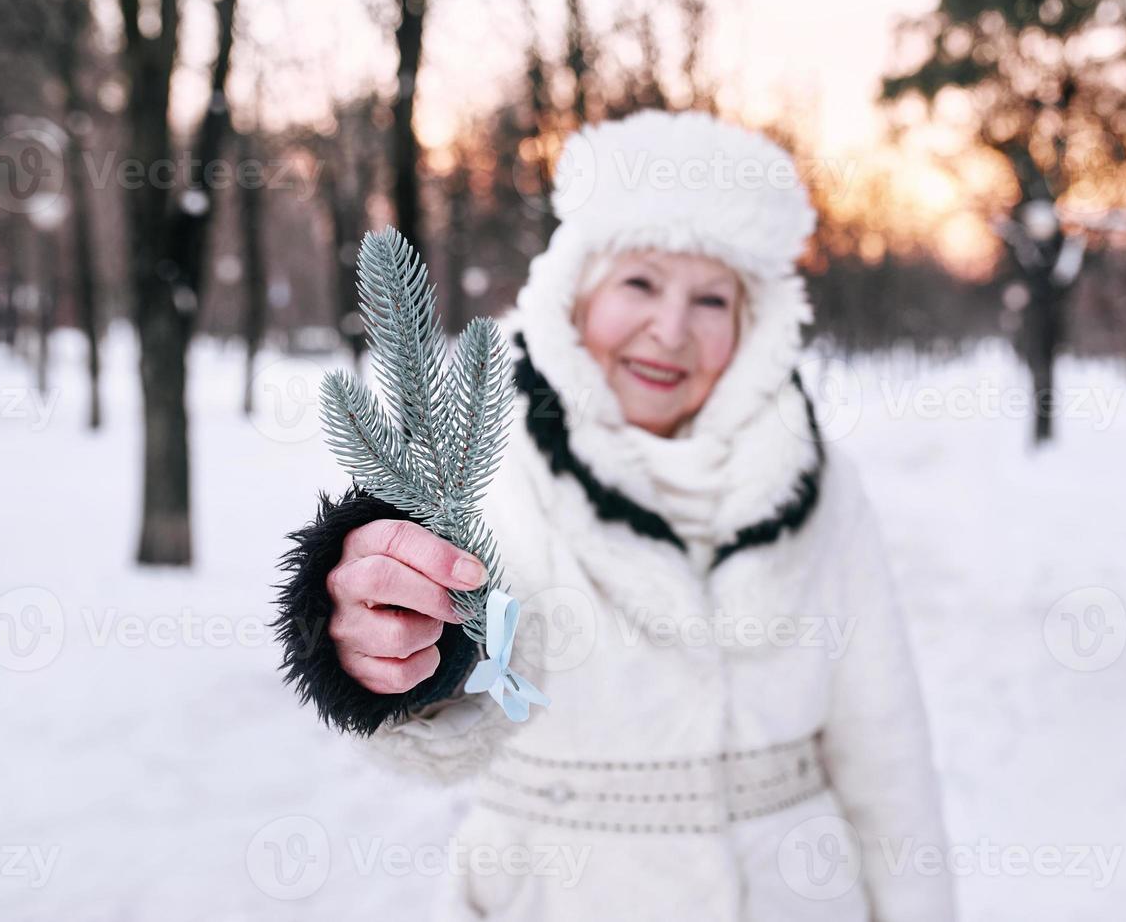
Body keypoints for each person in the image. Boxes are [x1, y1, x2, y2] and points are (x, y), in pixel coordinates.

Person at [274, 109, 956, 921]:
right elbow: (481, 647)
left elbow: (887, 760)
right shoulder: (492, 455)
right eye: (639, 283)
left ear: (754, 325)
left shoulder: (822, 485)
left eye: (711, 299)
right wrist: (394, 634)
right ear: (576, 291)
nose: (670, 331)